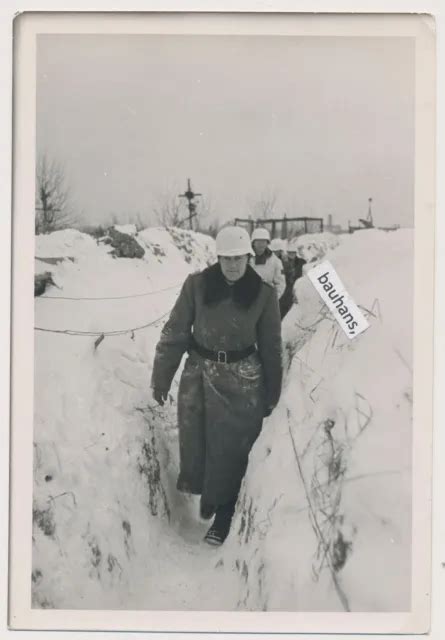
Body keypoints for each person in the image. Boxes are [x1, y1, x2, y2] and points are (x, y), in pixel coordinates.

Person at [151, 226, 283, 546]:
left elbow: (271, 347)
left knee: (231, 449)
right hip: (198, 374)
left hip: (243, 381)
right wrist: (162, 375)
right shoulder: (196, 286)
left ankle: (224, 517)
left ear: (248, 258)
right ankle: (211, 497)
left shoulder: (263, 295)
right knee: (199, 444)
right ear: (218, 258)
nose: (232, 265)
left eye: (238, 259)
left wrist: (272, 395)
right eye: (226, 259)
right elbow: (175, 332)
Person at [250, 228, 286, 301]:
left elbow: (280, 283)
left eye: (264, 241)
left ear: (267, 243)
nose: (261, 244)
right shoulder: (245, 258)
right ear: (253, 243)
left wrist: (272, 300)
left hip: (265, 301)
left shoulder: (275, 261)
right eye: (258, 241)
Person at [279, 238, 307, 319]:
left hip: (297, 289)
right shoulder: (282, 262)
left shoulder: (301, 262)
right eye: (290, 253)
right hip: (285, 291)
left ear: (296, 253)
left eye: (293, 253)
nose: (292, 255)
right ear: (287, 253)